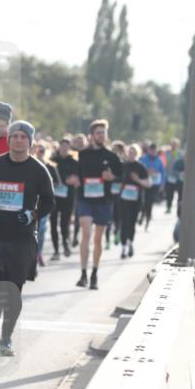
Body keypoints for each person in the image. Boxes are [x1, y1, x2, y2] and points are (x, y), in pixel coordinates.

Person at [0, 122, 54, 355]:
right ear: (8, 140)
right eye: (14, 136)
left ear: (30, 141)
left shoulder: (38, 170)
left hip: (22, 239)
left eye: (22, 136)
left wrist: (34, 214)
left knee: (12, 291)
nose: (18, 140)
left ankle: (6, 338)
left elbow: (49, 201)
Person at [69, 120, 122, 290]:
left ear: (106, 135)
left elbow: (121, 176)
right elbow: (74, 173)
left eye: (103, 132)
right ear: (92, 135)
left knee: (98, 239)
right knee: (86, 233)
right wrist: (74, 180)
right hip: (85, 199)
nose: (101, 135)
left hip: (103, 201)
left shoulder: (112, 157)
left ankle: (94, 273)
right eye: (98, 132)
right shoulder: (82, 155)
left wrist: (111, 177)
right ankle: (83, 273)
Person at [118, 144, 152, 258]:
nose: (131, 154)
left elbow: (148, 184)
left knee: (132, 222)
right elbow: (117, 180)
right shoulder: (123, 166)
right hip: (123, 198)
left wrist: (137, 179)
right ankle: (123, 248)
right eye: (130, 152)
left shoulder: (140, 167)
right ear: (127, 153)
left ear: (137, 154)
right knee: (124, 222)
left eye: (134, 153)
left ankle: (130, 243)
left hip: (136, 199)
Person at [49, 138, 78, 261]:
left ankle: (65, 244)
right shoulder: (52, 161)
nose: (65, 148)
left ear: (69, 148)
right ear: (59, 147)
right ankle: (56, 250)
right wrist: (53, 183)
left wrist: (73, 180)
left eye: (67, 146)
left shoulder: (74, 161)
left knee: (64, 224)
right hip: (54, 197)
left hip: (68, 196)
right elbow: (47, 176)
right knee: (53, 224)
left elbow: (78, 177)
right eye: (63, 146)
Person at [32, 141, 58, 267]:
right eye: (38, 150)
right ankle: (31, 255)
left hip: (43, 202)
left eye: (42, 150)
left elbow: (58, 182)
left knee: (41, 230)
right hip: (30, 202)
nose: (40, 152)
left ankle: (39, 254)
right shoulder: (30, 164)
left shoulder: (50, 166)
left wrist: (48, 184)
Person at [138, 142, 165, 230]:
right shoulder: (143, 159)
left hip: (154, 185)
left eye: (154, 150)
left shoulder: (159, 160)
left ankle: (148, 220)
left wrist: (162, 184)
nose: (153, 152)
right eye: (151, 150)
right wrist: (147, 171)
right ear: (149, 150)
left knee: (149, 202)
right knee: (143, 201)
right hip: (144, 184)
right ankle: (142, 214)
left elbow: (163, 173)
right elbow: (139, 169)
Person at [165, 138, 184, 214]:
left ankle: (178, 210)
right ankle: (168, 207)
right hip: (169, 176)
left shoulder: (180, 154)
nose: (173, 146)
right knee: (169, 194)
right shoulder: (167, 153)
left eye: (175, 145)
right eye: (172, 144)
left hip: (178, 178)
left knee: (179, 195)